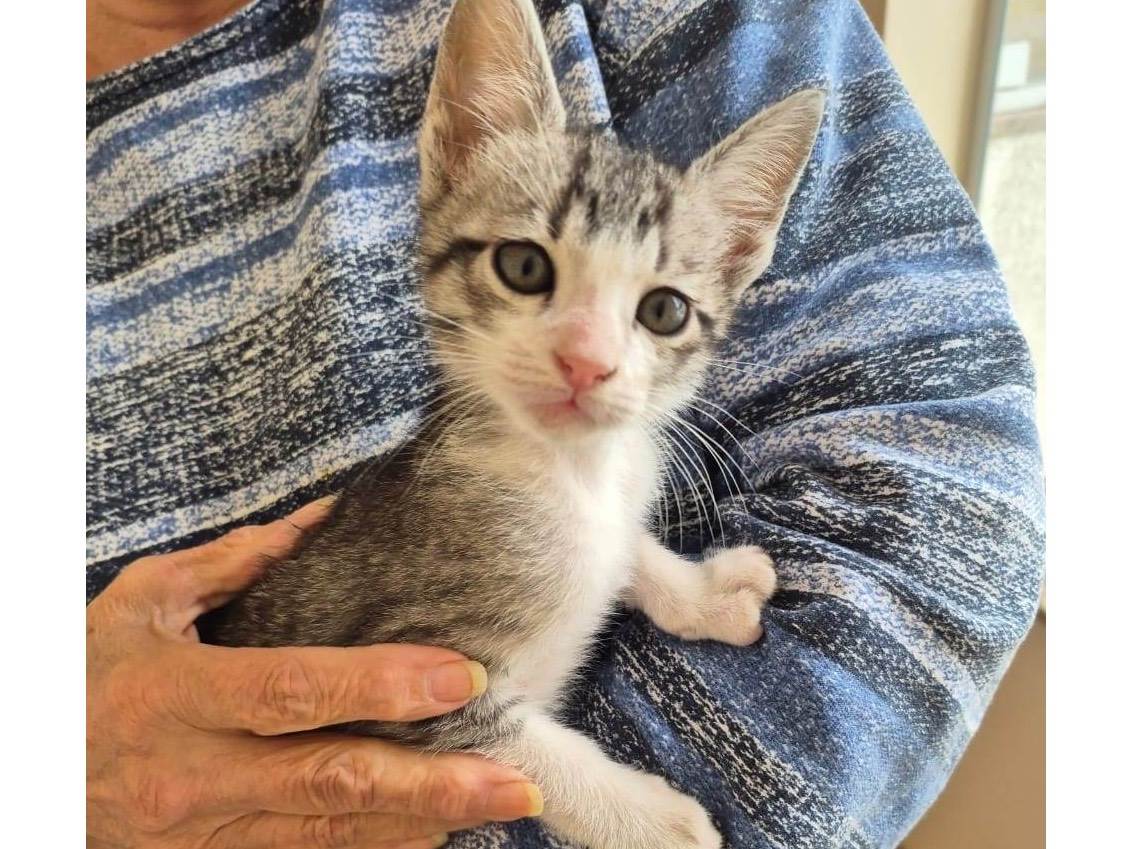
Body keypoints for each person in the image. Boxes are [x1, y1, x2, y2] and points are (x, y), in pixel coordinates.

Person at [86, 1, 1045, 847]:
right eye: (528, 268)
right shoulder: (467, 494)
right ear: (459, 150)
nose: (589, 356)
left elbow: (939, 485)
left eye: (660, 311)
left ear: (737, 260)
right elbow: (445, 706)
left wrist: (679, 590)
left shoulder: (610, 471)